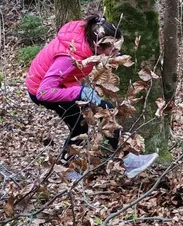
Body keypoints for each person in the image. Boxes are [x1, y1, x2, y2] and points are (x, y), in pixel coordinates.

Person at [26, 14, 158, 180]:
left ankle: (128, 160)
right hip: (42, 90)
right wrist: (79, 92)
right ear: (98, 46)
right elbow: (44, 92)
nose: (117, 52)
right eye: (114, 49)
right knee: (81, 125)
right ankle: (67, 170)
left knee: (106, 111)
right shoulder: (67, 58)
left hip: (63, 85)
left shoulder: (89, 35)